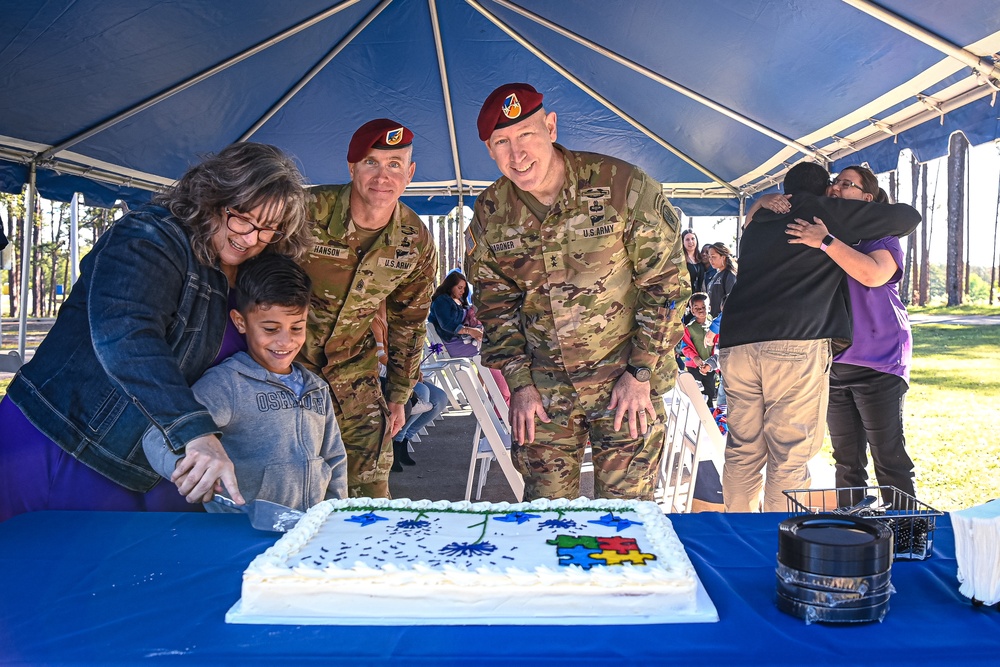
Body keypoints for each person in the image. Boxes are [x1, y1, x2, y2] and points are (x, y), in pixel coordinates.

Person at [0, 142, 309, 522]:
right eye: (242, 218)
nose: (250, 238)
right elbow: (127, 336)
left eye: (268, 229)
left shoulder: (253, 268)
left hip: (166, 460)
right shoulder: (148, 236)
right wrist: (195, 432)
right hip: (73, 441)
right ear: (212, 196)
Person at [465, 82, 689, 500]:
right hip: (543, 392)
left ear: (550, 127)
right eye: (502, 142)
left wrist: (640, 372)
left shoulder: (622, 187)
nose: (518, 155)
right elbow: (495, 306)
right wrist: (520, 384)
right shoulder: (491, 213)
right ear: (490, 150)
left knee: (626, 521)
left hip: (627, 384)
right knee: (545, 519)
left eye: (527, 135)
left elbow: (667, 287)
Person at [719, 161, 920, 512]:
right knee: (791, 453)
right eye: (835, 184)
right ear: (824, 190)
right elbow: (909, 217)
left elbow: (875, 272)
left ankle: (739, 535)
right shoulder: (824, 212)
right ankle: (774, 540)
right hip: (795, 343)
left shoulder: (757, 224)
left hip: (739, 343)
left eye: (846, 184)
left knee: (743, 449)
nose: (838, 190)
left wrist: (761, 204)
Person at [298, 118, 437, 499]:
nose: (383, 175)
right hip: (285, 377)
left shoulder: (414, 240)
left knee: (372, 495)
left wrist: (398, 394)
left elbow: (409, 323)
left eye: (395, 164)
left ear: (409, 173)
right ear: (352, 167)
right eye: (371, 162)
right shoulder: (305, 212)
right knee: (292, 493)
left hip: (354, 383)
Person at [142, 254, 347, 510]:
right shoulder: (227, 385)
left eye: (296, 328)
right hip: (243, 531)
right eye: (271, 329)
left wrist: (335, 513)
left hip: (310, 532)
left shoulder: (317, 387)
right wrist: (188, 468)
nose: (286, 342)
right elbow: (157, 435)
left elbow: (334, 459)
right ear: (241, 322)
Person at [371, 300, 448, 472]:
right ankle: (397, 443)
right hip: (384, 376)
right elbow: (381, 357)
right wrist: (407, 373)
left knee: (440, 399)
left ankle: (406, 438)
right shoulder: (374, 321)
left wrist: (414, 370)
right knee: (422, 392)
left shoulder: (395, 319)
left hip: (402, 373)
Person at [428, 271, 511, 402]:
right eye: (459, 288)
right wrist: (470, 331)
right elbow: (447, 325)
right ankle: (499, 396)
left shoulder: (459, 300)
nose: (462, 291)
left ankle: (486, 394)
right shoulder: (442, 301)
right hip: (452, 343)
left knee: (494, 346)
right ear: (450, 286)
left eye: (464, 288)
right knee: (491, 350)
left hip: (463, 340)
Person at [679, 293, 718, 408]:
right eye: (696, 308)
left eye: (703, 307)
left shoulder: (714, 327)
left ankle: (710, 414)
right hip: (694, 366)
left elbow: (717, 344)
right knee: (696, 393)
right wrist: (694, 357)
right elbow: (684, 347)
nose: (700, 310)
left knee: (710, 391)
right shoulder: (689, 328)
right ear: (691, 310)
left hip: (710, 366)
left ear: (709, 308)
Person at [705, 241, 737, 318]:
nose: (710, 260)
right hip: (712, 320)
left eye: (713, 257)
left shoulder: (729, 275)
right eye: (709, 257)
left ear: (723, 257)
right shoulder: (716, 274)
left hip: (722, 321)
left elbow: (732, 301)